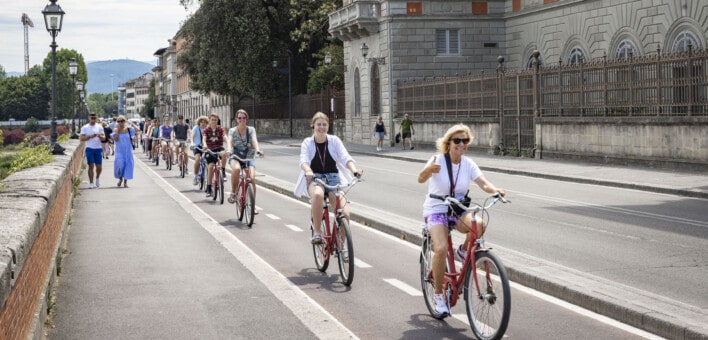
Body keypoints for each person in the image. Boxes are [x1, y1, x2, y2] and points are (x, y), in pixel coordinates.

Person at [417, 123, 506, 316]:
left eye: (465, 140)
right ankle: (439, 295)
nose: (461, 144)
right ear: (448, 143)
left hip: (457, 208)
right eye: (457, 140)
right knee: (440, 248)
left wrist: (495, 190)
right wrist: (429, 170)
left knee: (479, 224)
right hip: (436, 208)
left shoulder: (468, 164)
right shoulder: (437, 159)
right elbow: (420, 179)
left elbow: (483, 183)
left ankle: (463, 251)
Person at [295, 112, 363, 244]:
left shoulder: (334, 140)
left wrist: (354, 170)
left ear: (328, 126)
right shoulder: (308, 142)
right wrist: (308, 171)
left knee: (345, 213)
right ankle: (317, 232)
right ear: (313, 126)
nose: (321, 127)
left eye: (324, 124)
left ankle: (341, 245)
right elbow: (303, 160)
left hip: (333, 179)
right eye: (318, 124)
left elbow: (345, 157)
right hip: (315, 178)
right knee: (318, 195)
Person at [226, 109, 264, 208]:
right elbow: (229, 141)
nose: (242, 120)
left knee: (252, 178)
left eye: (244, 118)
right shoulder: (232, 130)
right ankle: (233, 193)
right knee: (237, 169)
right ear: (236, 119)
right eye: (240, 118)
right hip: (236, 155)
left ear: (246, 119)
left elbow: (254, 140)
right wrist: (229, 150)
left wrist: (258, 150)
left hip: (249, 156)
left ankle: (252, 205)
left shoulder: (251, 129)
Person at [202, 113, 227, 197]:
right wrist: (205, 145)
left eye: (215, 120)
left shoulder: (220, 129)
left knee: (224, 154)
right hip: (210, 150)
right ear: (209, 120)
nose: (214, 121)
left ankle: (223, 172)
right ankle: (209, 188)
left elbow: (225, 137)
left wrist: (229, 143)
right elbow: (204, 138)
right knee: (211, 166)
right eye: (212, 120)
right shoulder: (206, 129)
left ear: (217, 121)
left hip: (219, 148)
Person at [79, 113, 105, 189]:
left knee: (99, 167)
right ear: (89, 118)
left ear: (96, 118)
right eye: (92, 118)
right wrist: (90, 136)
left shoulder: (99, 127)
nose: (93, 119)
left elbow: (104, 138)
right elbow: (81, 138)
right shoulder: (85, 127)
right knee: (91, 165)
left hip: (98, 148)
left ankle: (97, 178)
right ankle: (91, 182)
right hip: (89, 148)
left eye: (94, 118)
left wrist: (100, 136)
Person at [110, 116, 135, 188]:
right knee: (120, 164)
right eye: (119, 121)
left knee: (127, 165)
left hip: (128, 150)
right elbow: (116, 139)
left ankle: (125, 182)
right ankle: (120, 178)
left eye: (122, 121)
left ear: (125, 121)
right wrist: (117, 131)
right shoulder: (116, 129)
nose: (120, 122)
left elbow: (138, 130)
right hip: (119, 150)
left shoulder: (129, 129)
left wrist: (131, 123)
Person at [191, 116, 208, 185]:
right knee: (197, 159)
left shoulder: (207, 129)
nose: (203, 124)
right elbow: (192, 136)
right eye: (201, 122)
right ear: (199, 122)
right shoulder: (196, 128)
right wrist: (192, 143)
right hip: (197, 146)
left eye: (205, 122)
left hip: (205, 147)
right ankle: (195, 175)